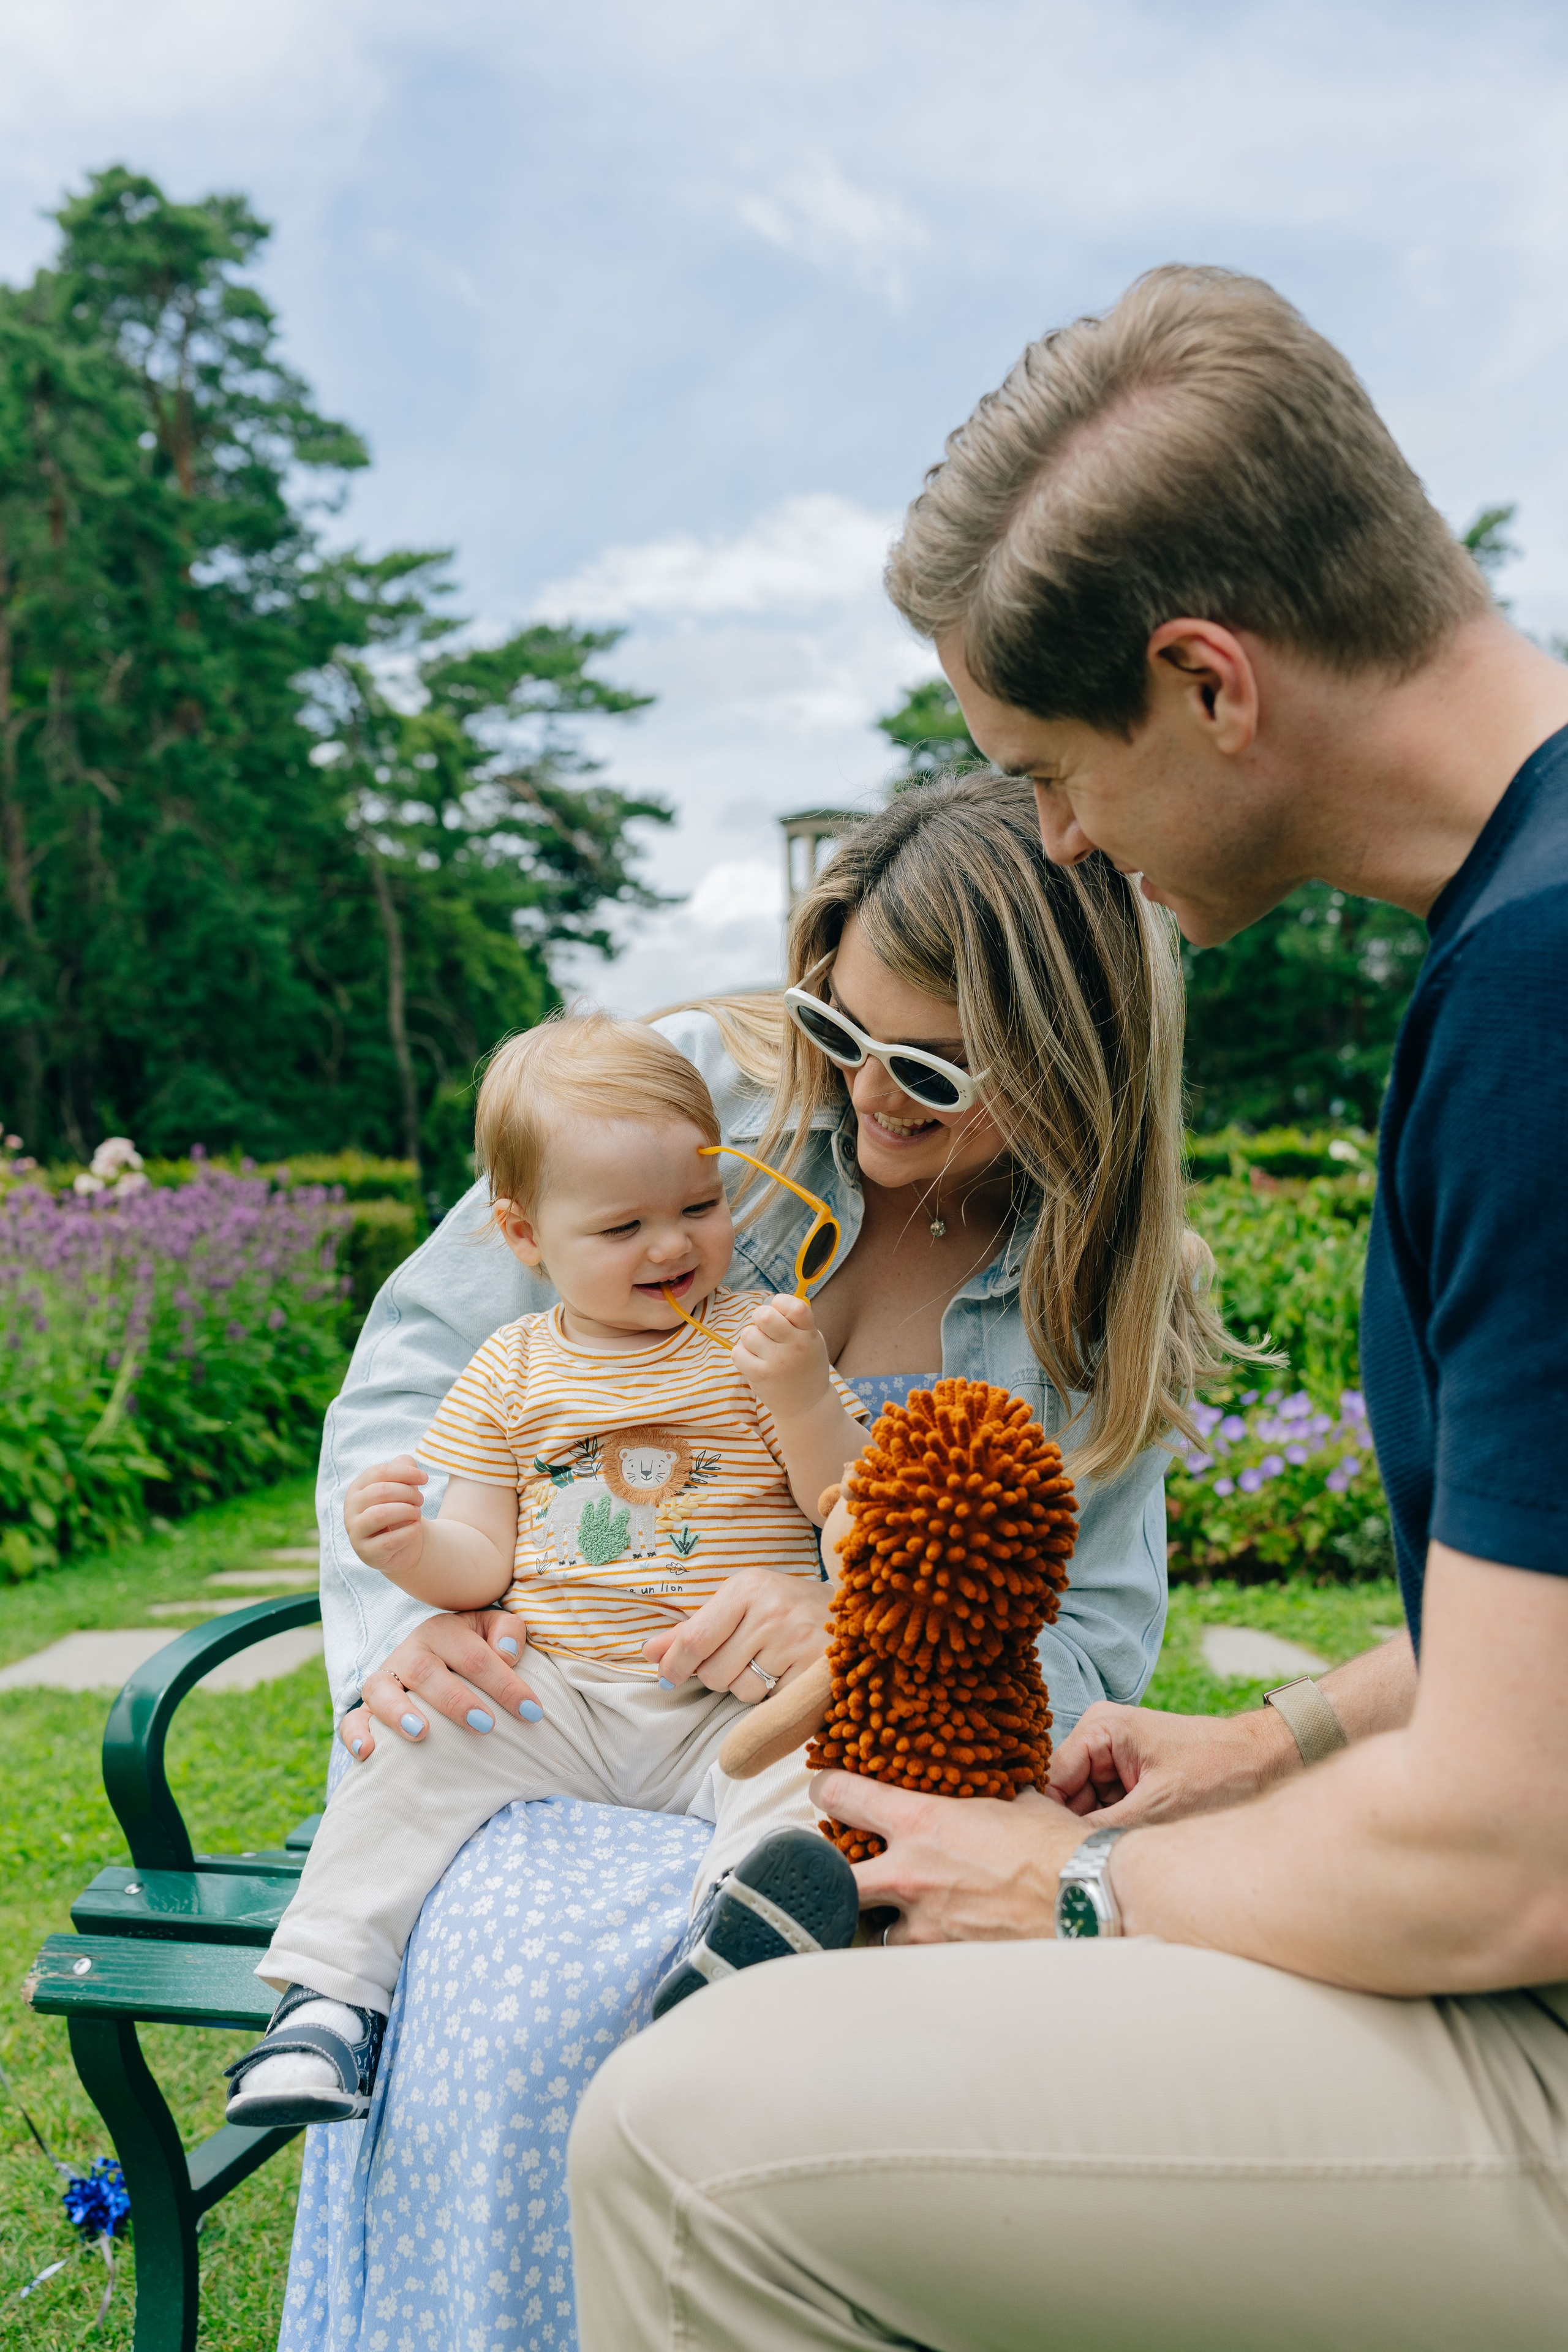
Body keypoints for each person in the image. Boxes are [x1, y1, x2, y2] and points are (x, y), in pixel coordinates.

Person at [566, 265, 1568, 2351]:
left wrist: (1080, 1885)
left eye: (1046, 766)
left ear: (1208, 682)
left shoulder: (1538, 1001)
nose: (1056, 838)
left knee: (688, 2135)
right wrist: (1275, 1737)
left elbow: (1513, 1854)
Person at [279, 773, 1235, 2351]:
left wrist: (872, 1619)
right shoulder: (693, 1091)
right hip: (556, 1715)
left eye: (929, 1068)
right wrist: (426, 1614)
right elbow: (416, 1379)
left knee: (701, 1977)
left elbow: (1088, 1643)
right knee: (522, 1982)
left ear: (1070, 1065)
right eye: (839, 1027)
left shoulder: (1095, 1287)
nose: (865, 1093)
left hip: (820, 1783)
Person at [231, 1014, 869, 2128]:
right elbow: (479, 1559)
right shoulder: (510, 1368)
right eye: (623, 1226)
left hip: (726, 1702)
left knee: (816, 1764)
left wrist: (807, 1394)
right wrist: (406, 1549)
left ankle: (739, 1946)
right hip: (559, 1697)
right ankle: (327, 2000)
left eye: (700, 1207)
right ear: (525, 1237)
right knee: (407, 1753)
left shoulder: (760, 1340)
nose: (671, 1247)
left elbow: (845, 1503)